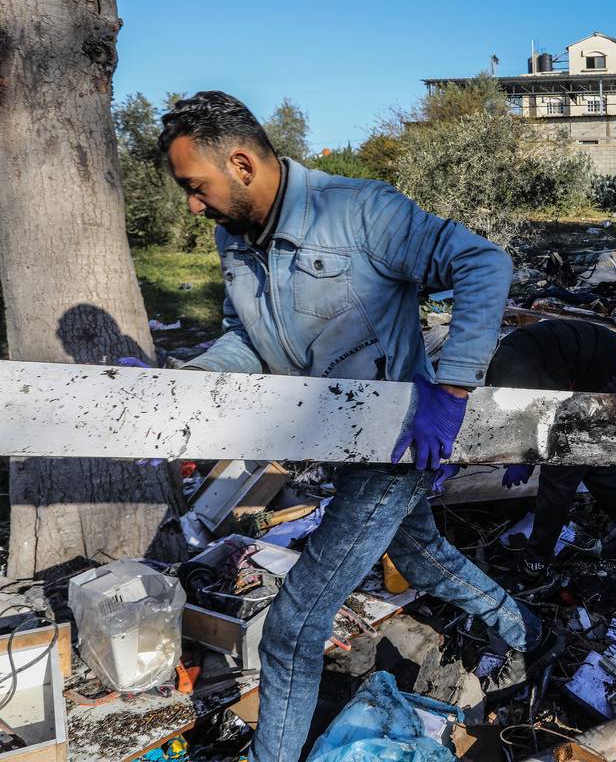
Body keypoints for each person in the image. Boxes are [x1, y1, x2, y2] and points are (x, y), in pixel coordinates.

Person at [158, 91, 560, 762]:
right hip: (337, 439)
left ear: (239, 163)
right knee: (424, 556)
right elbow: (248, 342)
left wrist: (453, 386)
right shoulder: (235, 239)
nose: (193, 206)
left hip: (400, 440)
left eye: (195, 188)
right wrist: (191, 381)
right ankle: (534, 636)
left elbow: (483, 263)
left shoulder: (360, 211)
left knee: (292, 627)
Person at [486, 319, 616, 581]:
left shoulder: (513, 374)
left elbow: (542, 418)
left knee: (558, 474)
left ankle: (535, 564)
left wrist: (524, 458)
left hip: (612, 382)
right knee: (596, 469)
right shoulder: (503, 362)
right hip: (611, 371)